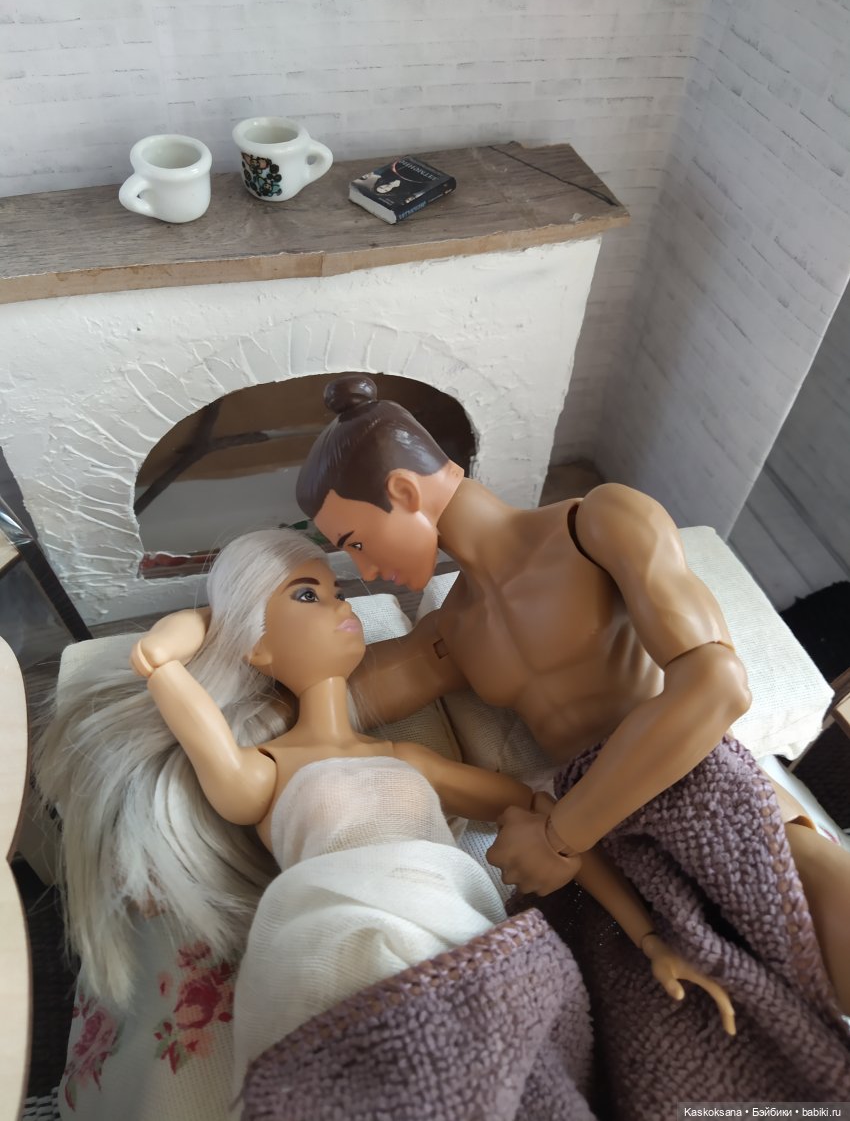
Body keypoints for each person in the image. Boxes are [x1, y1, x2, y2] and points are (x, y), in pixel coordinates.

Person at [138, 377, 850, 1018]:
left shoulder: (601, 525)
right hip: (611, 852)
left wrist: (561, 832)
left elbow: (716, 685)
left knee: (819, 901)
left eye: (356, 541)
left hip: (689, 780)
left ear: (404, 493)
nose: (365, 571)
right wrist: (225, 618)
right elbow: (311, 672)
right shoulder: (455, 634)